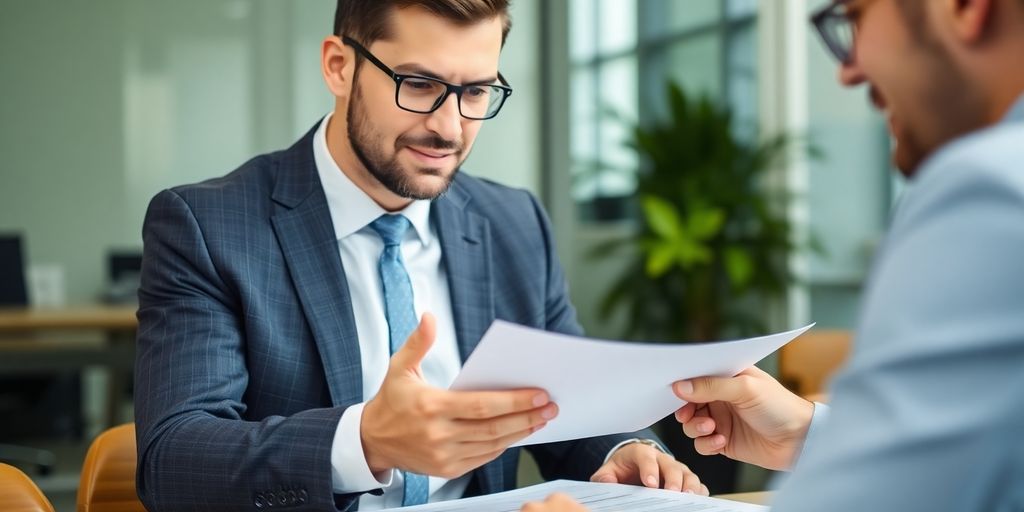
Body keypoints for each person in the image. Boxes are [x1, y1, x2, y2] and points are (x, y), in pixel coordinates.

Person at [134, 1, 709, 510]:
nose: (448, 126)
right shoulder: (209, 227)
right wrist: (366, 441)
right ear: (339, 66)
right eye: (418, 84)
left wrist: (625, 449)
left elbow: (567, 406)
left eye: (476, 91)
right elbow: (173, 461)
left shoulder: (514, 223)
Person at [521, 0, 1024, 510]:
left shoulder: (993, 188)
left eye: (857, 18)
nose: (848, 71)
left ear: (964, 8)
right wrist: (808, 435)